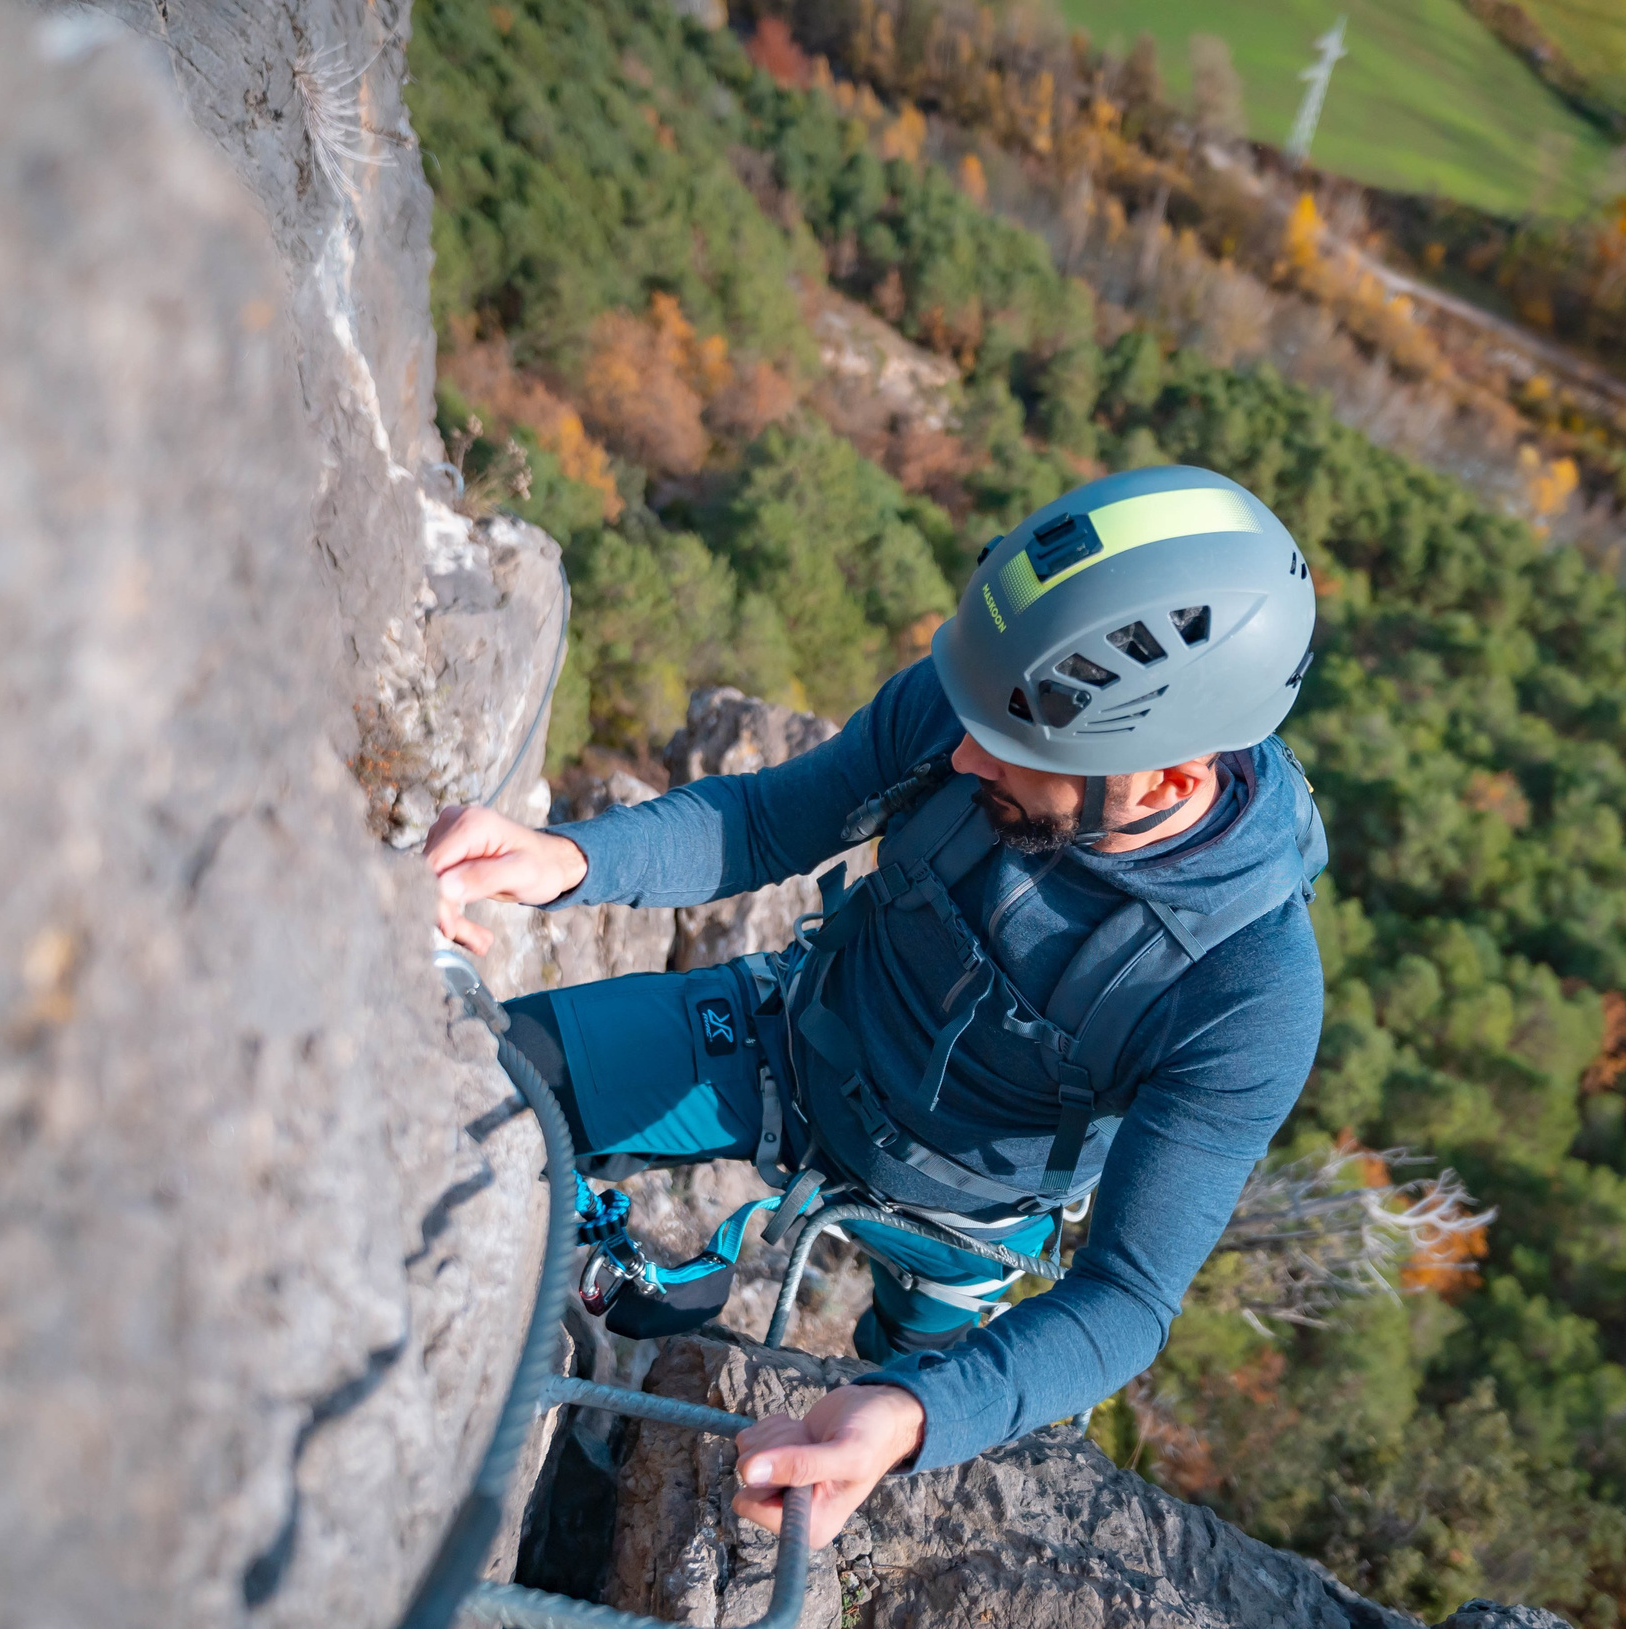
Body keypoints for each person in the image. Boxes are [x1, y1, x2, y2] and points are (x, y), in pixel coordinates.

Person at [425, 465, 1327, 1546]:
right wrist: (566, 859)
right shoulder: (992, 696)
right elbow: (768, 820)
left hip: (965, 1222)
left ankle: (781, 1327)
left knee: (898, 1381)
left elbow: (1127, 1297)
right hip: (789, 1045)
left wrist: (911, 1413)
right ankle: (658, 1294)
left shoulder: (1243, 993)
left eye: (1019, 746)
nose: (959, 753)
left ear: (1169, 783)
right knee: (496, 1081)